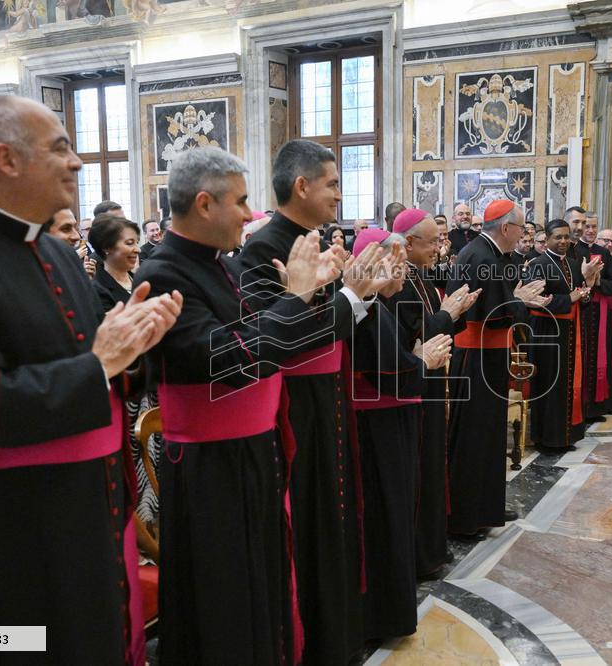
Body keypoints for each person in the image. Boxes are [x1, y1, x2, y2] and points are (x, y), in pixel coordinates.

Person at [0, 94, 182, 664]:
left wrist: (137, 345)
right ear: (6, 159)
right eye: (60, 148)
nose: (75, 162)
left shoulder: (59, 255)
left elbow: (93, 366)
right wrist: (100, 363)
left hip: (81, 516)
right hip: (3, 530)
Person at [136, 146, 340, 664]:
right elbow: (230, 358)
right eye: (242, 201)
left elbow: (272, 342)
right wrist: (295, 300)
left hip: (252, 452)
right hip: (211, 469)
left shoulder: (222, 265)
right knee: (224, 597)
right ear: (205, 204)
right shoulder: (163, 273)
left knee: (263, 586)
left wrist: (310, 295)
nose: (252, 214)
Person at [237, 139, 392, 665]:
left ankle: (337, 634)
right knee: (310, 523)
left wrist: (359, 295)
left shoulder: (311, 239)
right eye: (332, 184)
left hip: (326, 399)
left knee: (334, 518)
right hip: (295, 407)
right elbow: (279, 339)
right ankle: (316, 641)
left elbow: (326, 327)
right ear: (301, 186)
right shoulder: (262, 250)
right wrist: (350, 297)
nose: (339, 196)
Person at [349, 228, 452, 641]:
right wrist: (422, 361)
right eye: (395, 260)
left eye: (403, 261)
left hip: (393, 422)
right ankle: (383, 615)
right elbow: (392, 371)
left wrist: (418, 361)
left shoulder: (382, 305)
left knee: (397, 515)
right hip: (376, 427)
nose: (402, 268)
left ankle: (393, 607)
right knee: (383, 519)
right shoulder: (368, 308)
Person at [445, 200, 550, 540]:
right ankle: (467, 515)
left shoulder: (489, 254)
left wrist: (518, 300)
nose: (523, 234)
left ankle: (485, 506)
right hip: (476, 357)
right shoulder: (481, 256)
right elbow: (496, 312)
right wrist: (522, 302)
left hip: (488, 357)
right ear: (506, 228)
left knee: (489, 436)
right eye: (521, 228)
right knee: (475, 438)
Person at [386, 208, 478, 577]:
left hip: (434, 382)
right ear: (408, 243)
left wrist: (453, 312)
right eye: (434, 241)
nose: (441, 247)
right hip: (414, 385)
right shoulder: (398, 282)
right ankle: (422, 554)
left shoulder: (420, 277)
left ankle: (433, 546)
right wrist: (448, 314)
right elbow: (416, 335)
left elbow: (433, 326)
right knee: (422, 468)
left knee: (433, 463)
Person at [525, 220, 591, 453]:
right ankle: (546, 439)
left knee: (568, 383)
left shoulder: (573, 264)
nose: (563, 241)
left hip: (571, 333)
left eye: (566, 237)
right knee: (549, 384)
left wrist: (584, 295)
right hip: (547, 334)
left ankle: (565, 437)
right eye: (558, 237)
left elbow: (581, 294)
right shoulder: (538, 264)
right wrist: (570, 299)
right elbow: (534, 301)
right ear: (548, 239)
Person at [570, 212, 612, 422]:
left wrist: (598, 282)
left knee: (599, 357)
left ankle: (595, 407)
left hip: (599, 315)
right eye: (586, 226)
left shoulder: (603, 253)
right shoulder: (573, 250)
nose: (589, 230)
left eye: (593, 227)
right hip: (580, 309)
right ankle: (579, 407)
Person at [89, 214, 141, 313]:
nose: (138, 250)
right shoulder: (98, 289)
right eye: (129, 243)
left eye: (137, 243)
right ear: (106, 248)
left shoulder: (139, 280)